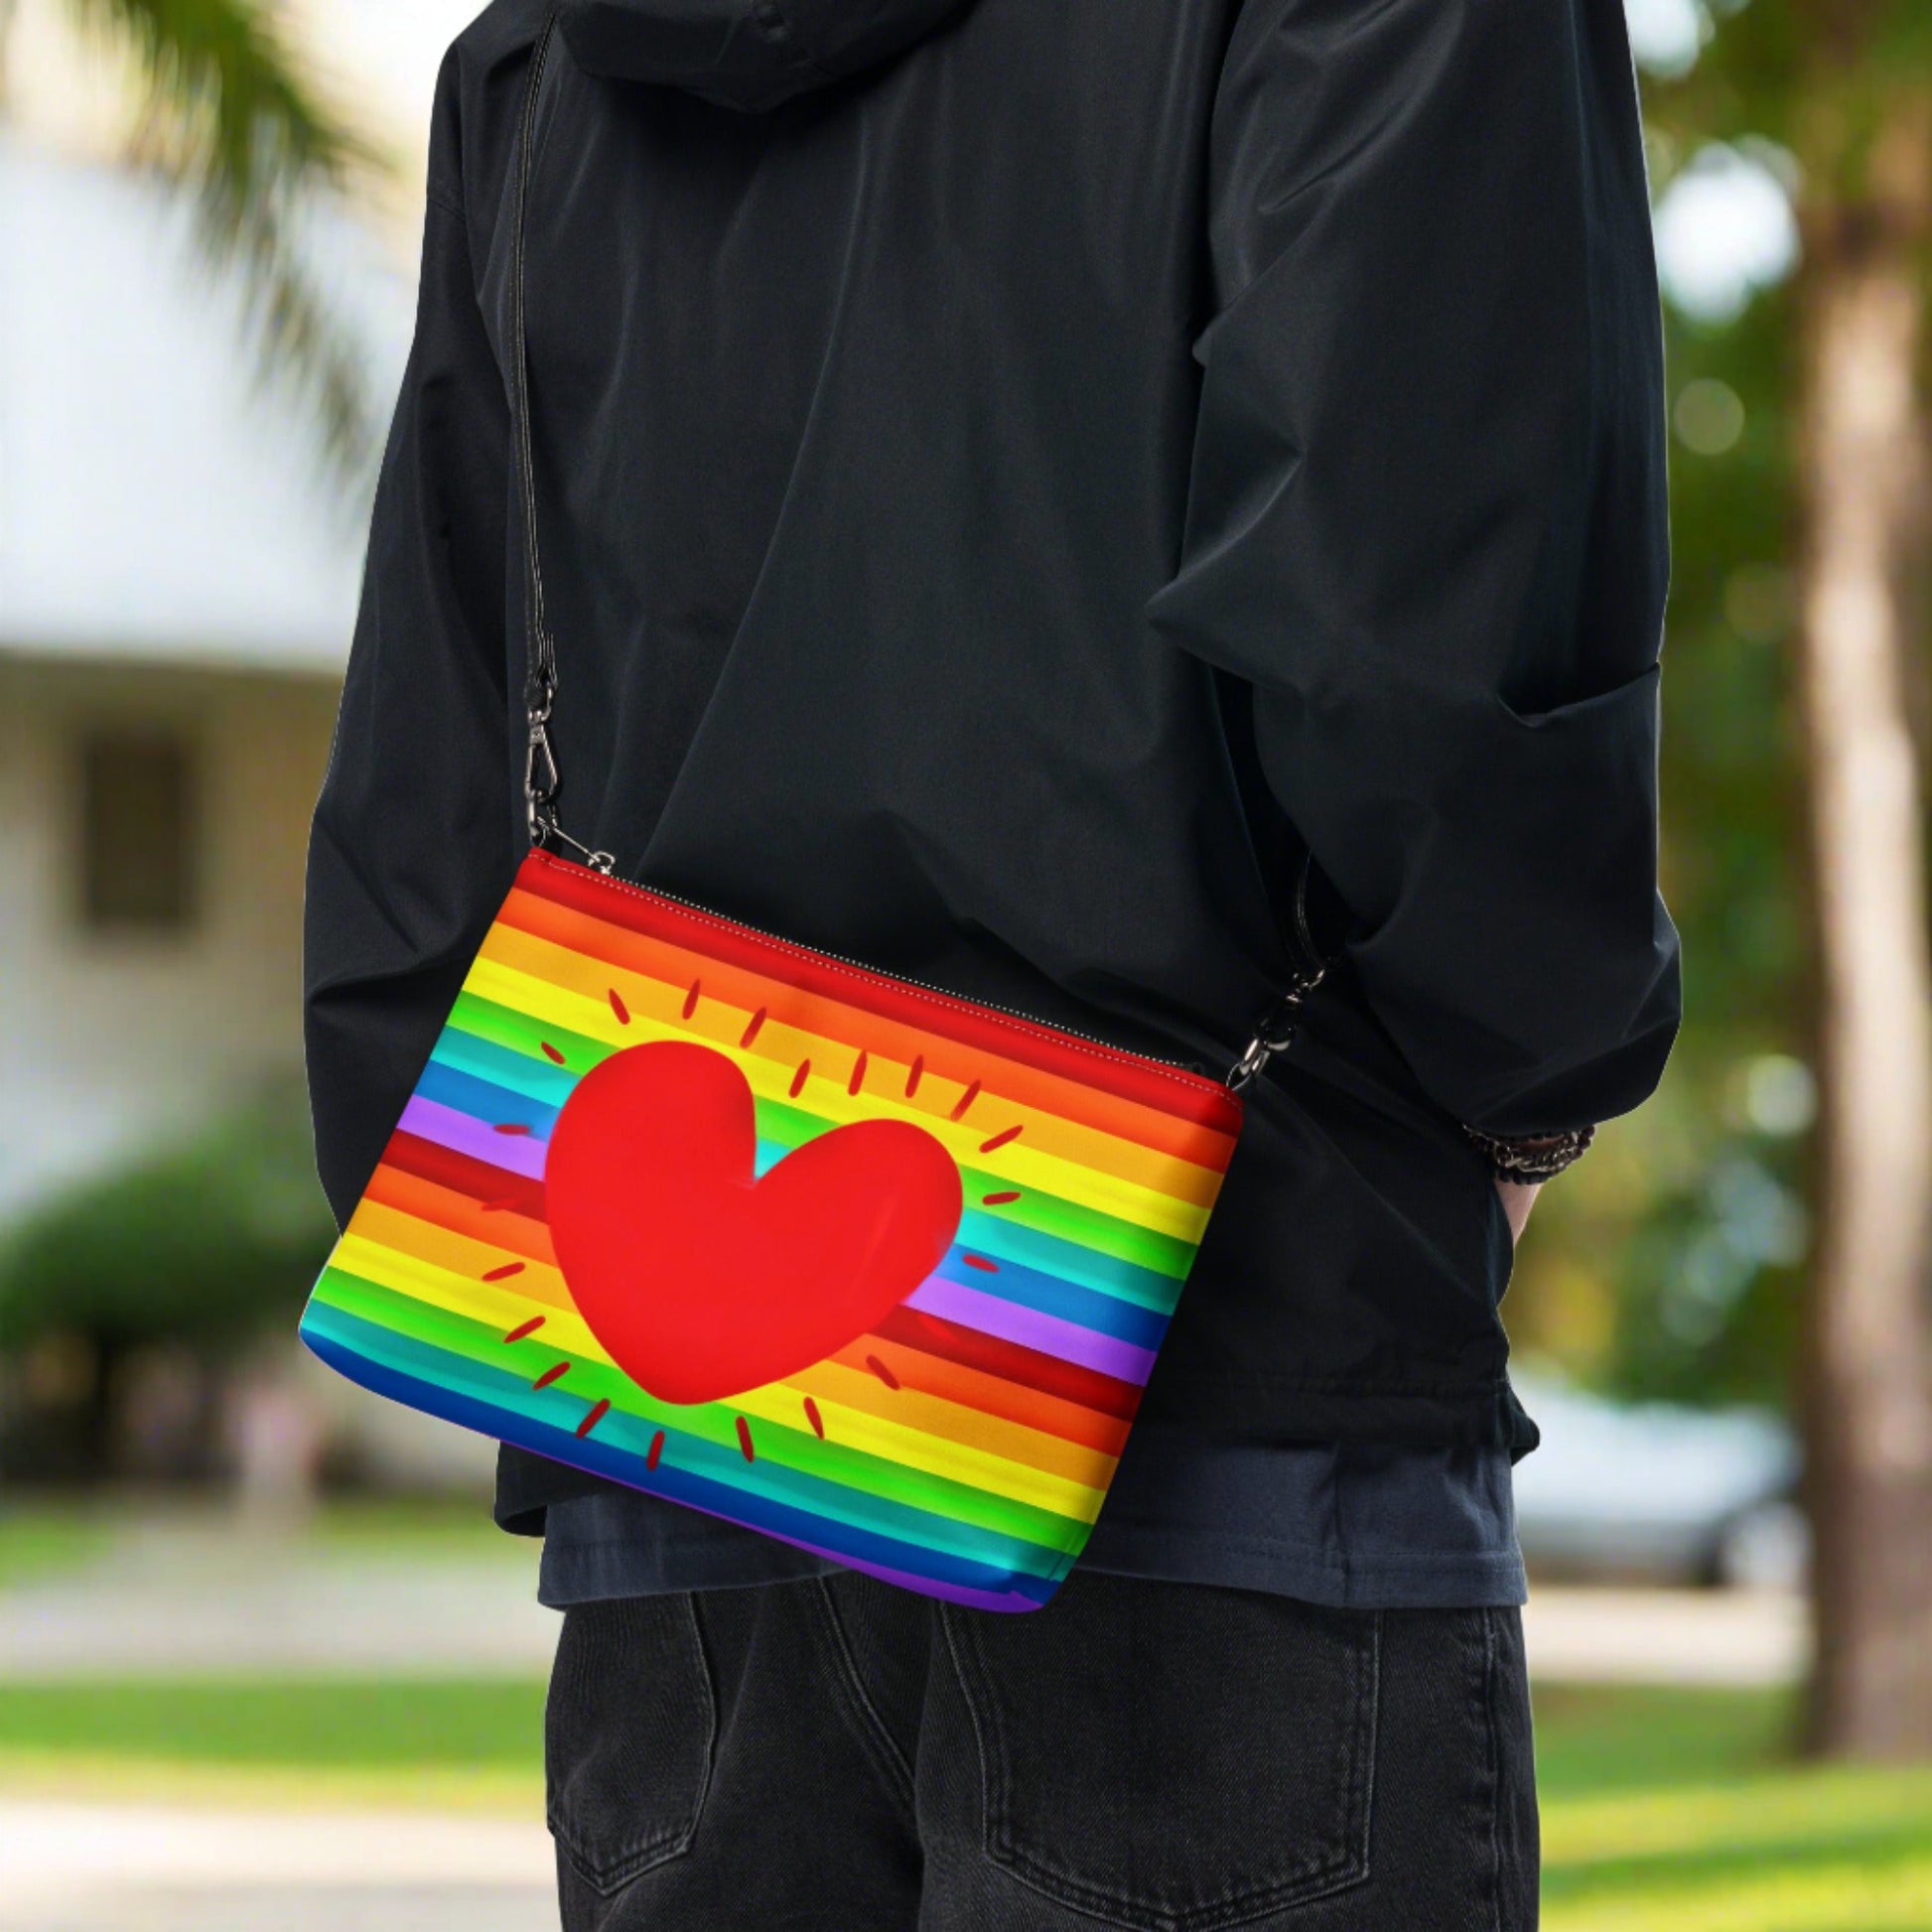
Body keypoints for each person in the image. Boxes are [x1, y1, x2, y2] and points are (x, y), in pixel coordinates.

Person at [305, 0, 1678, 1925]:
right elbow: (1416, 634)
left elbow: (428, 771)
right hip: (1241, 1353)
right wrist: (1529, 1085)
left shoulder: (545, 53)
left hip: (682, 1433)